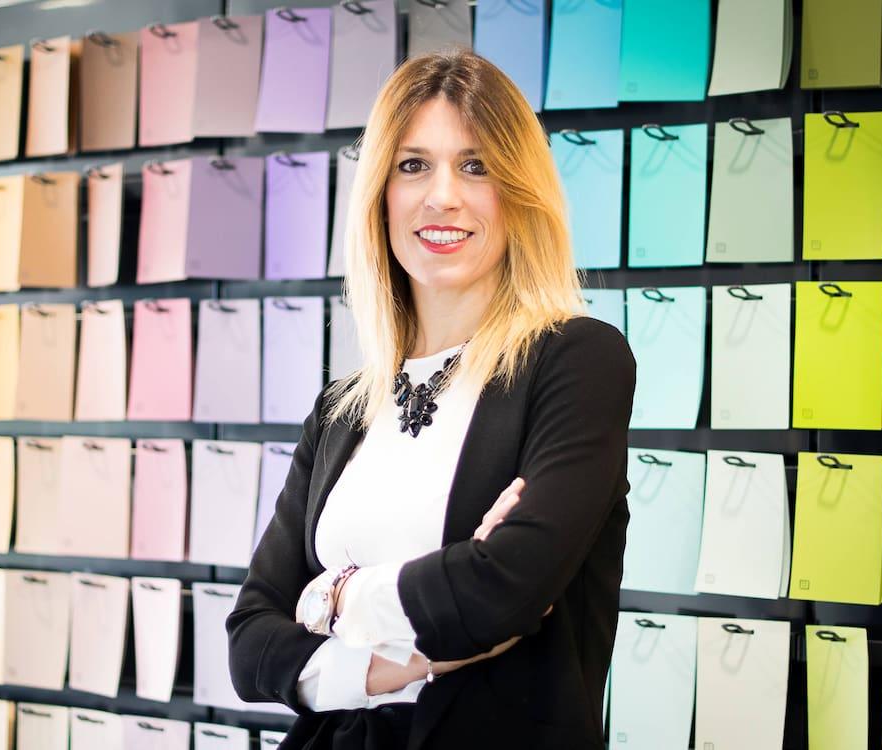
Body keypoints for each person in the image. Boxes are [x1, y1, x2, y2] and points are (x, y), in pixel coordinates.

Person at [227, 48, 636, 750]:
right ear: (381, 193)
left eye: (475, 166)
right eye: (413, 165)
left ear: (518, 191)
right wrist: (394, 666)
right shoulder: (342, 409)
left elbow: (505, 590)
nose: (442, 195)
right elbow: (248, 644)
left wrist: (335, 594)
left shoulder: (576, 361)